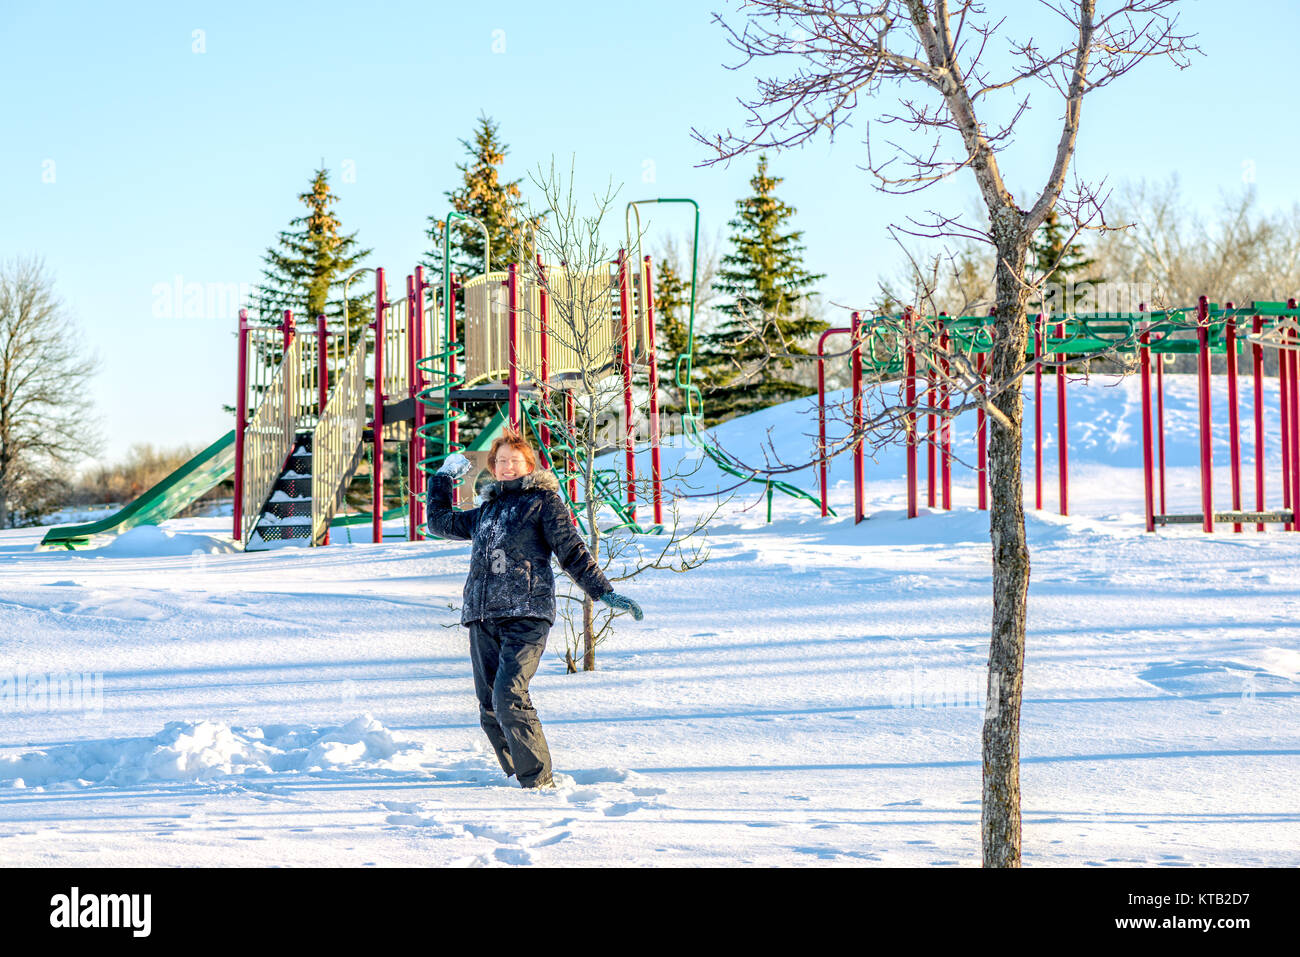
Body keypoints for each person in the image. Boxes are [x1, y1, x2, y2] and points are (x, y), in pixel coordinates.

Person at [426, 429, 644, 789]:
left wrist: (604, 593)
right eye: (500, 461)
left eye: (514, 460)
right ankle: (517, 779)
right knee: (489, 708)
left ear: (528, 464)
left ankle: (538, 783)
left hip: (526, 614)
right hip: (483, 617)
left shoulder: (543, 502)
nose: (506, 466)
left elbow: (571, 551)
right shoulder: (485, 512)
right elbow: (440, 523)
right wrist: (442, 480)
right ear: (493, 469)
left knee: (509, 694)